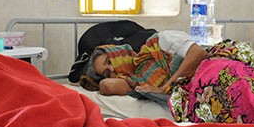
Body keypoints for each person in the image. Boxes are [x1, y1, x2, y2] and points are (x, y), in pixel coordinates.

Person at [79, 30, 208, 96]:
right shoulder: (137, 82)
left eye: (109, 60)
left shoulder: (159, 41)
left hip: (216, 67)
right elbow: (107, 86)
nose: (112, 68)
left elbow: (199, 54)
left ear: (117, 51)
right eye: (107, 73)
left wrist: (163, 89)